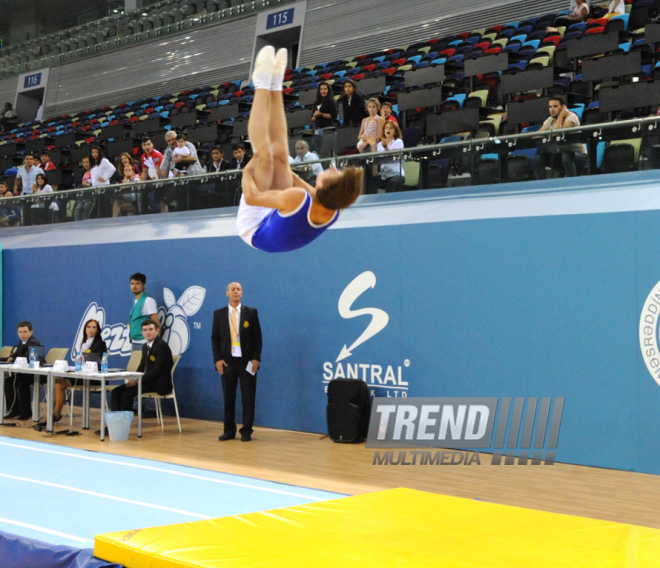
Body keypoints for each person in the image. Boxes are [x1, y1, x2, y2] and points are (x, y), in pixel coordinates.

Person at [236, 46, 363, 253]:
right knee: (280, 157)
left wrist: (246, 173)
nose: (332, 169)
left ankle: (260, 83)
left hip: (253, 230)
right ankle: (276, 85)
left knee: (265, 156)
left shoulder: (298, 198)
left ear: (323, 188)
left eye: (333, 175)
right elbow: (300, 184)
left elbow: (251, 197)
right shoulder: (333, 206)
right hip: (280, 217)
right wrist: (284, 167)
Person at [211, 282, 262, 442]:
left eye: (238, 289)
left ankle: (246, 431)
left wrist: (256, 358)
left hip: (247, 362)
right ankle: (229, 430)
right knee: (228, 398)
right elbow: (215, 339)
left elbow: (258, 338)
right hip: (227, 362)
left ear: (242, 293)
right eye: (232, 289)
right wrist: (217, 360)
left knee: (248, 398)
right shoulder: (218, 314)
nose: (235, 291)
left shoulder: (251, 313)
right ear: (227, 293)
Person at [37, 319, 108, 427]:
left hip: (93, 376)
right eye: (89, 327)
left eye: (94, 327)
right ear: (85, 329)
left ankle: (56, 414)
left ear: (98, 330)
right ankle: (49, 415)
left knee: (60, 384)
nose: (91, 329)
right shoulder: (84, 343)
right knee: (57, 382)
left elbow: (97, 362)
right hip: (82, 373)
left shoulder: (100, 343)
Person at [111, 319, 173, 412]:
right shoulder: (145, 346)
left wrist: (136, 381)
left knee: (127, 393)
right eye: (145, 330)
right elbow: (142, 365)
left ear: (157, 331)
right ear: (142, 332)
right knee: (116, 391)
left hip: (159, 384)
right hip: (147, 381)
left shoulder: (161, 346)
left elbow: (157, 371)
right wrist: (134, 378)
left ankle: (124, 423)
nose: (148, 332)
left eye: (151, 329)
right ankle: (114, 423)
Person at [533, 95, 587, 180]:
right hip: (559, 155)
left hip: (579, 155)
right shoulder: (550, 120)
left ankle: (572, 183)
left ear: (563, 107)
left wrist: (561, 116)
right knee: (538, 158)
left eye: (555, 106)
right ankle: (542, 184)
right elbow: (537, 136)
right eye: (550, 107)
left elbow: (558, 133)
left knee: (566, 156)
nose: (552, 109)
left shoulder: (571, 116)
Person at [3, 321, 41, 421]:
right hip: (23, 373)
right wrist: (7, 358)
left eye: (25, 332)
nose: (22, 334)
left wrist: (13, 359)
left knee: (21, 383)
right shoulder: (20, 343)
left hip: (34, 373)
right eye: (20, 332)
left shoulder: (33, 342)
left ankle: (26, 412)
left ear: (31, 332)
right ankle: (14, 409)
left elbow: (29, 359)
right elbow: (15, 357)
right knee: (8, 382)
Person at [366, 121, 405, 193]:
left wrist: (386, 147)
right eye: (386, 128)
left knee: (392, 183)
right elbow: (376, 159)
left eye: (391, 128)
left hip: (396, 175)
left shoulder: (398, 142)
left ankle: (389, 203)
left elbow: (394, 156)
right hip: (384, 175)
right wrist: (373, 146)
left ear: (395, 132)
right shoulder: (380, 144)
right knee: (373, 181)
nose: (388, 130)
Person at [128, 272, 159, 353]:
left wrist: (155, 344)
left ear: (144, 285)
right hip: (134, 342)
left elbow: (156, 324)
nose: (134, 286)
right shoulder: (134, 301)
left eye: (137, 283)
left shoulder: (148, 300)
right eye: (132, 283)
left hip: (145, 343)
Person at [140, 136, 167, 212]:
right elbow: (144, 172)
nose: (147, 146)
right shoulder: (143, 157)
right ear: (142, 147)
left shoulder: (156, 155)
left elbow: (159, 171)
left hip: (164, 180)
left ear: (152, 145)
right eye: (144, 145)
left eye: (148, 144)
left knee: (161, 201)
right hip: (155, 182)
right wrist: (140, 183)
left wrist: (160, 182)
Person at [74, 156, 94, 221]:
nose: (85, 164)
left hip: (91, 197)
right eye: (84, 162)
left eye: (87, 162)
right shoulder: (84, 173)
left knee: (86, 210)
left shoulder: (94, 172)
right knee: (78, 209)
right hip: (83, 197)